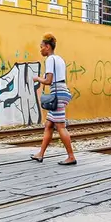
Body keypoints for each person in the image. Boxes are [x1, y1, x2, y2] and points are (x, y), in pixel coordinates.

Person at [31, 32, 77, 165]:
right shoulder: (60, 59)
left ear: (47, 46)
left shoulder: (50, 60)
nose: (40, 49)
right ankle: (40, 154)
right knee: (49, 125)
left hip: (57, 94)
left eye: (41, 47)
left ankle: (71, 156)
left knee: (60, 126)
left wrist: (37, 78)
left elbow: (49, 80)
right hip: (62, 91)